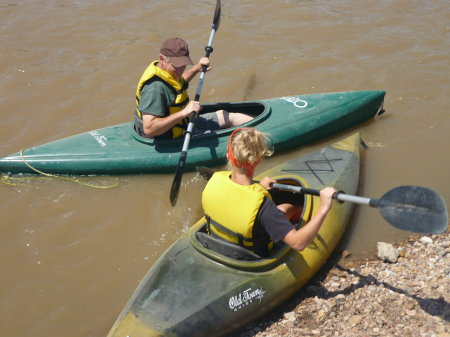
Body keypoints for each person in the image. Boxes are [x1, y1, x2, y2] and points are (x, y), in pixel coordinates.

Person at [201, 127, 337, 257]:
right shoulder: (264, 208)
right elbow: (298, 244)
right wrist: (324, 208)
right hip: (250, 256)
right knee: (288, 208)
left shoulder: (214, 180)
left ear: (228, 156)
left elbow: (237, 196)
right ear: (258, 159)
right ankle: (297, 217)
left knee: (286, 208)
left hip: (218, 243)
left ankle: (293, 212)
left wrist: (259, 186)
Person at [134, 37, 254, 139]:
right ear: (162, 59)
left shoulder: (169, 73)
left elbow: (179, 83)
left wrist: (197, 68)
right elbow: (149, 129)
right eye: (177, 65)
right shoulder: (154, 89)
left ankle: (260, 129)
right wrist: (184, 113)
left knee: (225, 115)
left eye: (183, 65)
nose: (181, 69)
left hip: (183, 124)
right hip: (171, 139)